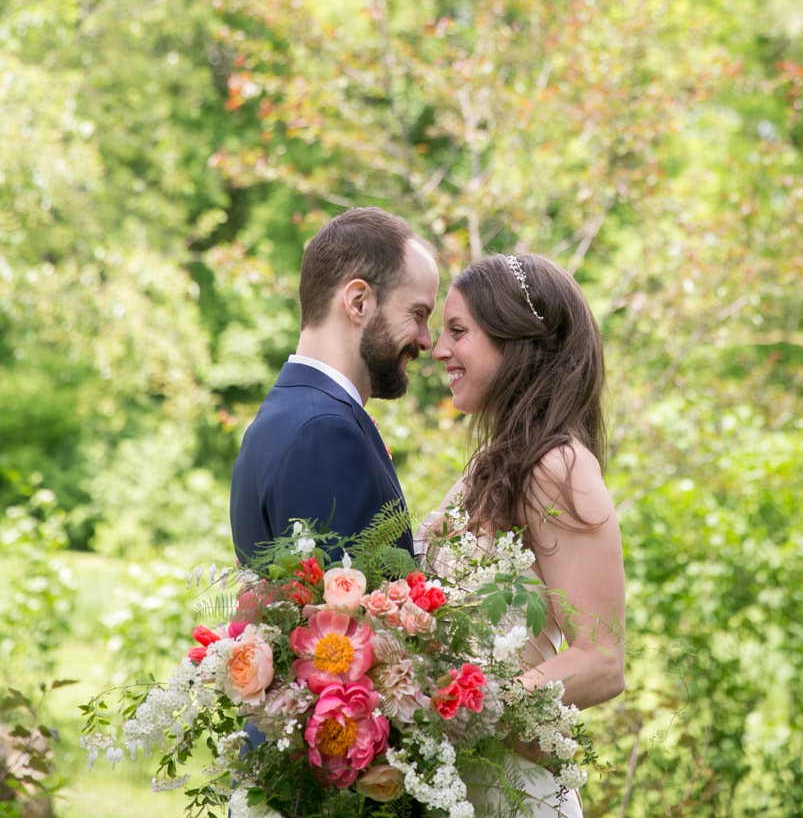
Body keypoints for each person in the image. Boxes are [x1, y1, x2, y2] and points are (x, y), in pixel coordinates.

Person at [428, 252, 626, 818]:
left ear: (516, 341)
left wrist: (459, 709)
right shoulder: (494, 464)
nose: (440, 350)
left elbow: (601, 660)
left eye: (458, 331)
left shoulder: (557, 466)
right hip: (461, 788)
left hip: (510, 794)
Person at [230, 207, 439, 564]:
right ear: (358, 302)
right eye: (417, 315)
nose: (426, 341)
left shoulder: (279, 418)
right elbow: (350, 616)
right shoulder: (323, 433)